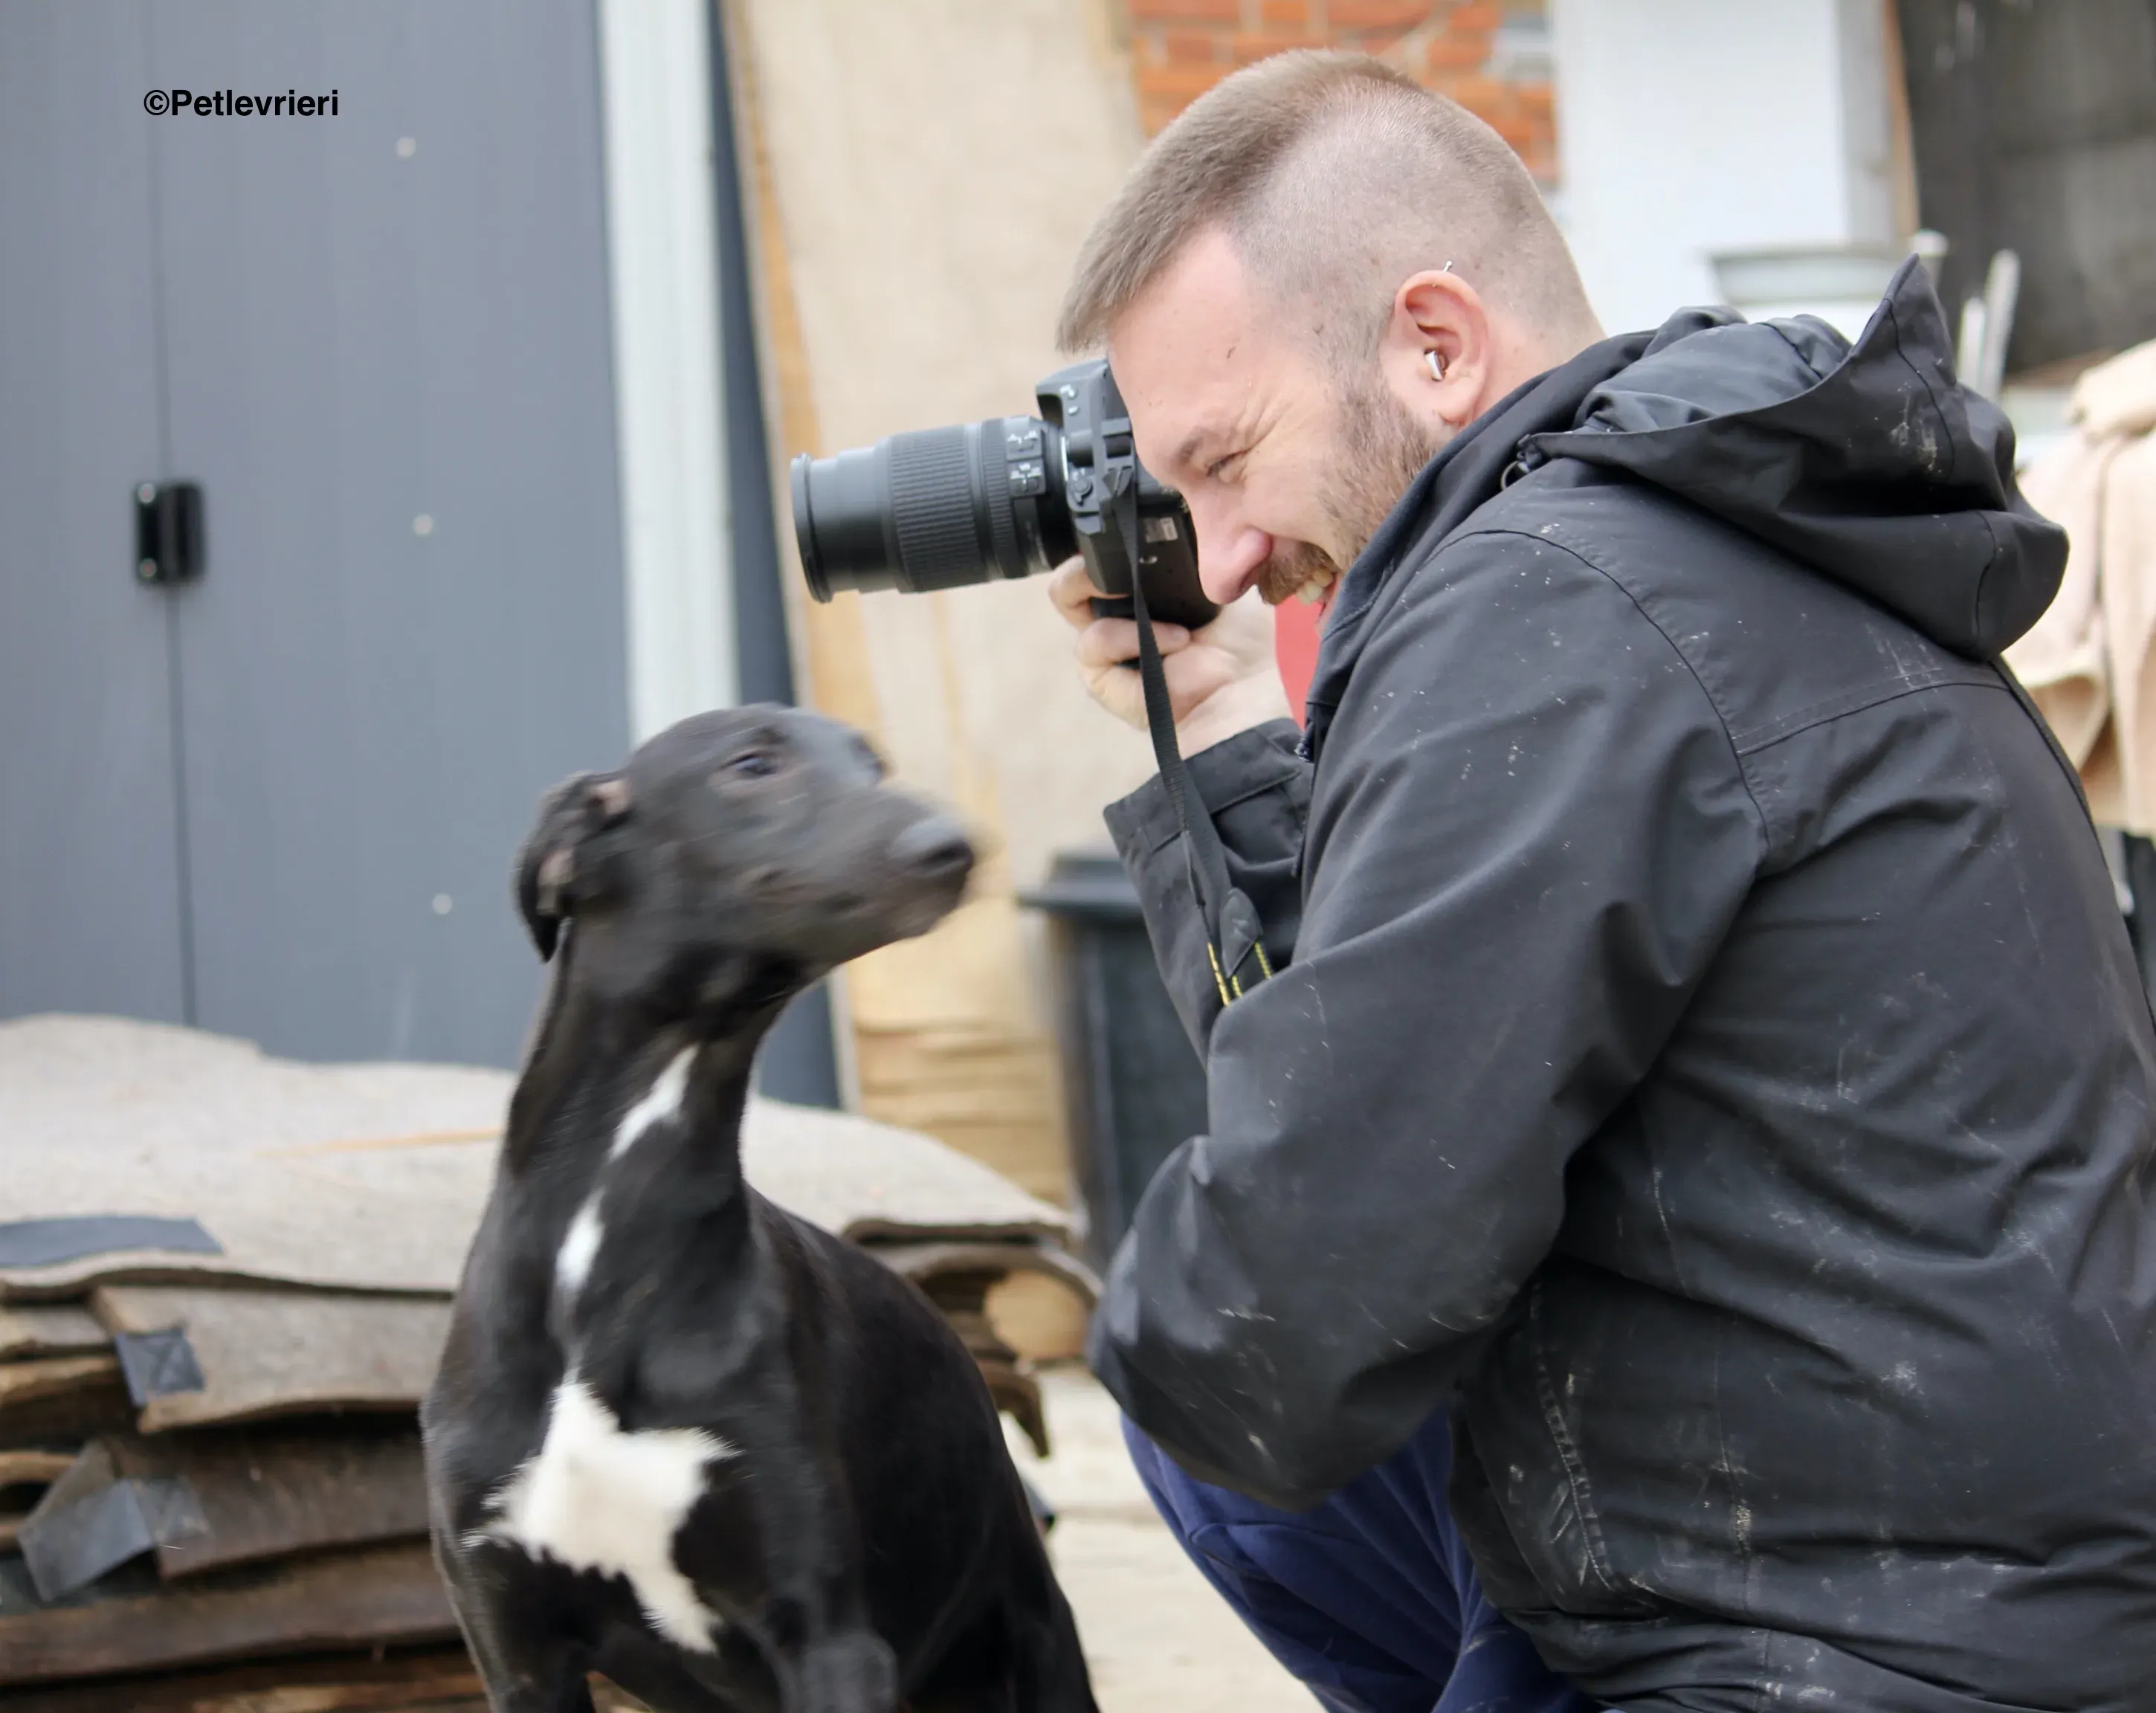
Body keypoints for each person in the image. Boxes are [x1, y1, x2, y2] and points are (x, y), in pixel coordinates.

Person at [1048, 49, 2156, 1713]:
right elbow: (1371, 1131)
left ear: (1434, 345)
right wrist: (1212, 719)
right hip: (1969, 1592)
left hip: (1824, 1653)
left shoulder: (1548, 607)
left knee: (1209, 1376)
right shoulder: (1743, 534)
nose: (1213, 561)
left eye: (1223, 461)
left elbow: (1292, 1303)